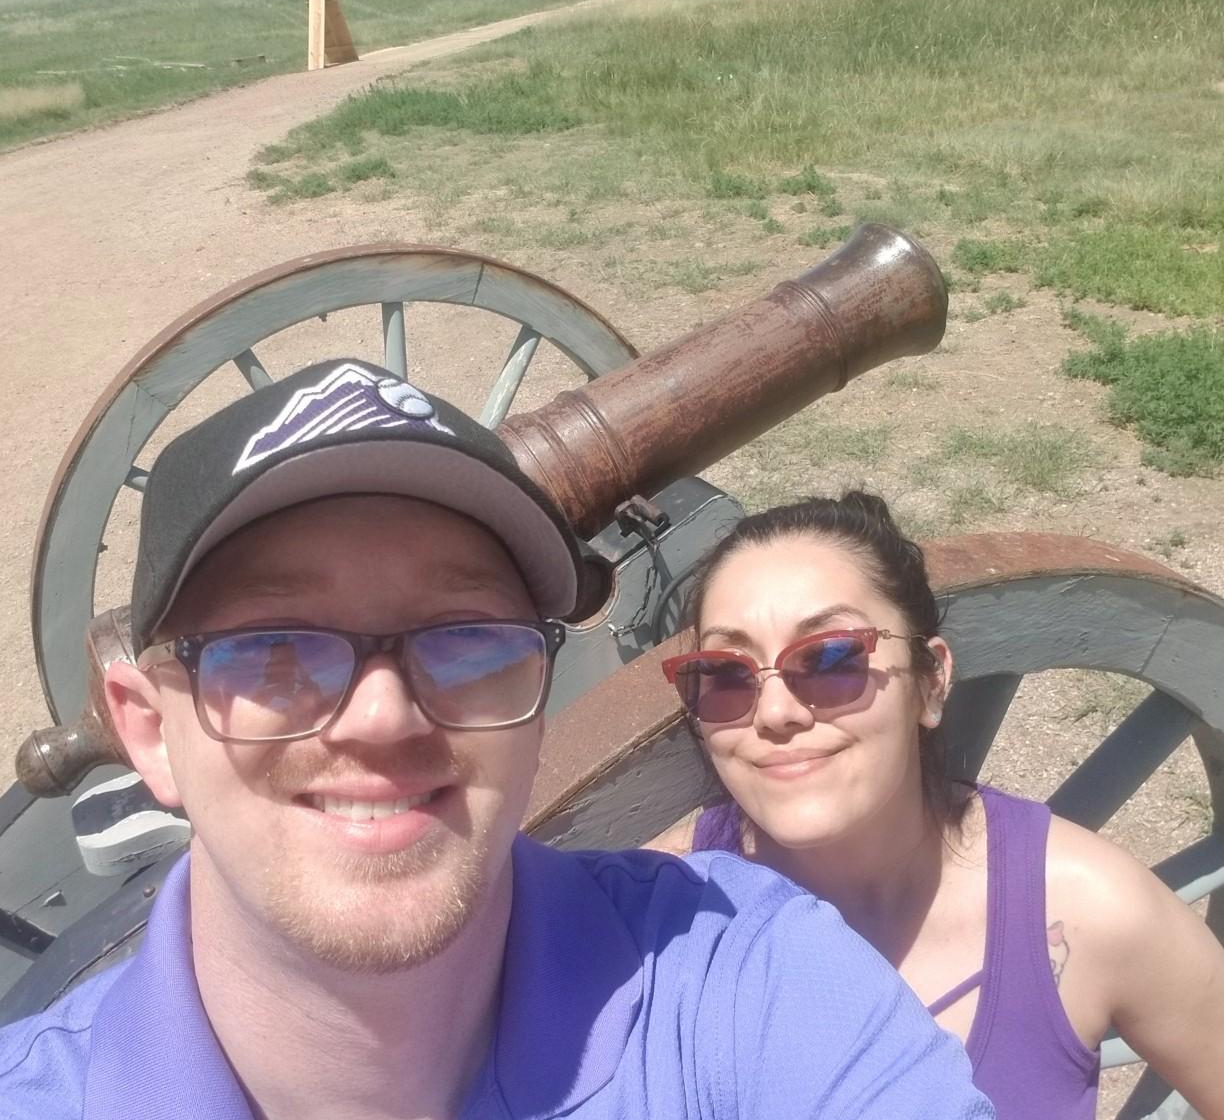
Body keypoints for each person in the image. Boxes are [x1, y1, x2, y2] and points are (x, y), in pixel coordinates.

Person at [0, 362, 993, 1119]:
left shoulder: (742, 980)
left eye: (467, 640)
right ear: (148, 730)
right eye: (272, 651)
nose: (384, 717)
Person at [651, 491, 1224, 1119]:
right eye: (727, 674)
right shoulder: (651, 912)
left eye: (832, 657)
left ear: (931, 681)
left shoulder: (1089, 910)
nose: (776, 711)